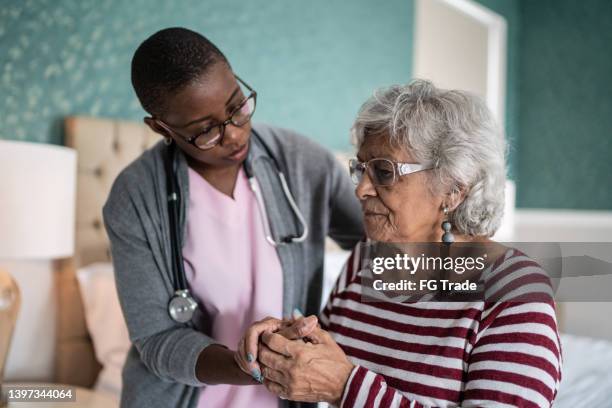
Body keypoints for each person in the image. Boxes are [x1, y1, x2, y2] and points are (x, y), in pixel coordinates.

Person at [238, 80, 562, 407]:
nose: (360, 189)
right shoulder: (367, 258)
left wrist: (345, 388)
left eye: (383, 171)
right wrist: (287, 341)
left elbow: (338, 379)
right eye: (360, 169)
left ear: (453, 189)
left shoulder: (515, 290)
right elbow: (328, 358)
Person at [102, 27, 363, 408]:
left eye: (237, 106)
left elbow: (380, 246)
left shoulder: (305, 164)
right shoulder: (135, 198)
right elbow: (157, 339)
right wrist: (252, 363)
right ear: (161, 128)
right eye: (206, 130)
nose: (235, 135)